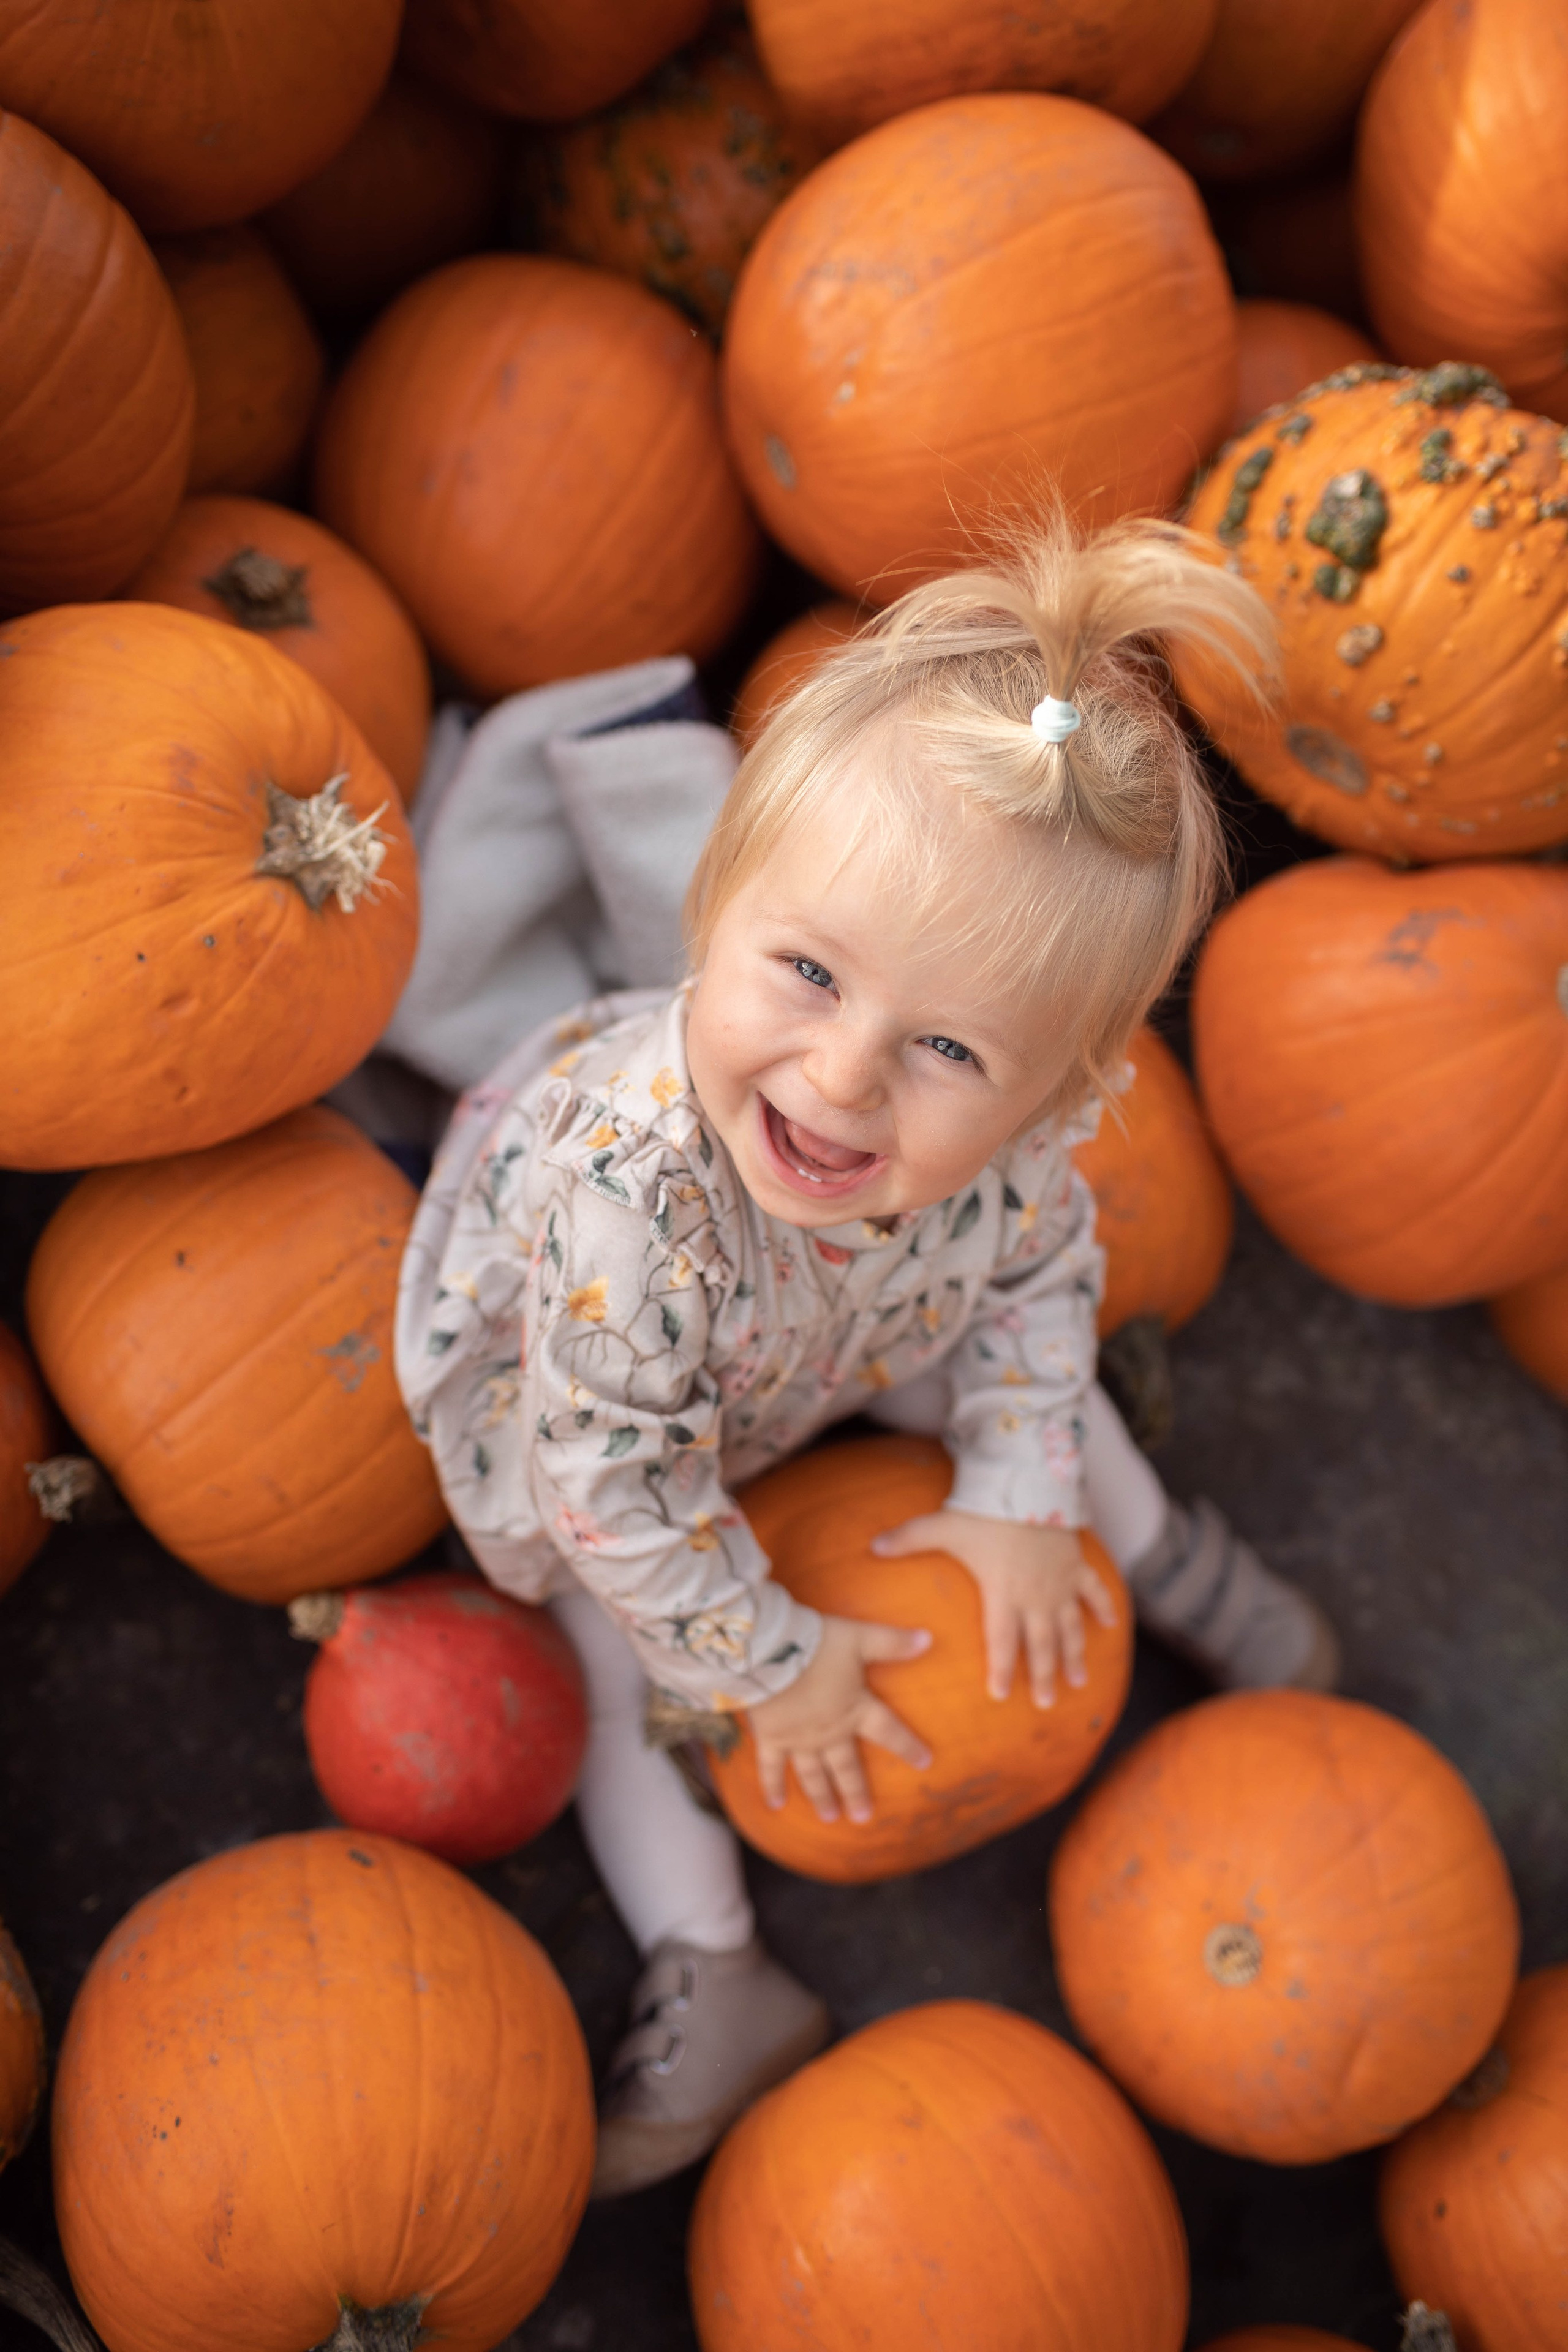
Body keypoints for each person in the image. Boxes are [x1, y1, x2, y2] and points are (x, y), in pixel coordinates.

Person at [396, 512, 1340, 2200]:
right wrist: (774, 1663)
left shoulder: (1013, 1162)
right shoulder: (634, 1200)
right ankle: (714, 1957)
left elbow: (1044, 1273)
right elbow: (612, 1497)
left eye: (949, 1048)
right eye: (808, 971)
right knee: (618, 1662)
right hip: (606, 1411)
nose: (839, 1079)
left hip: (820, 1334)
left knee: (1024, 1367)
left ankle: (1147, 1549)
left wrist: (1016, 1484)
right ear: (713, 908)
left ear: (1058, 1094)